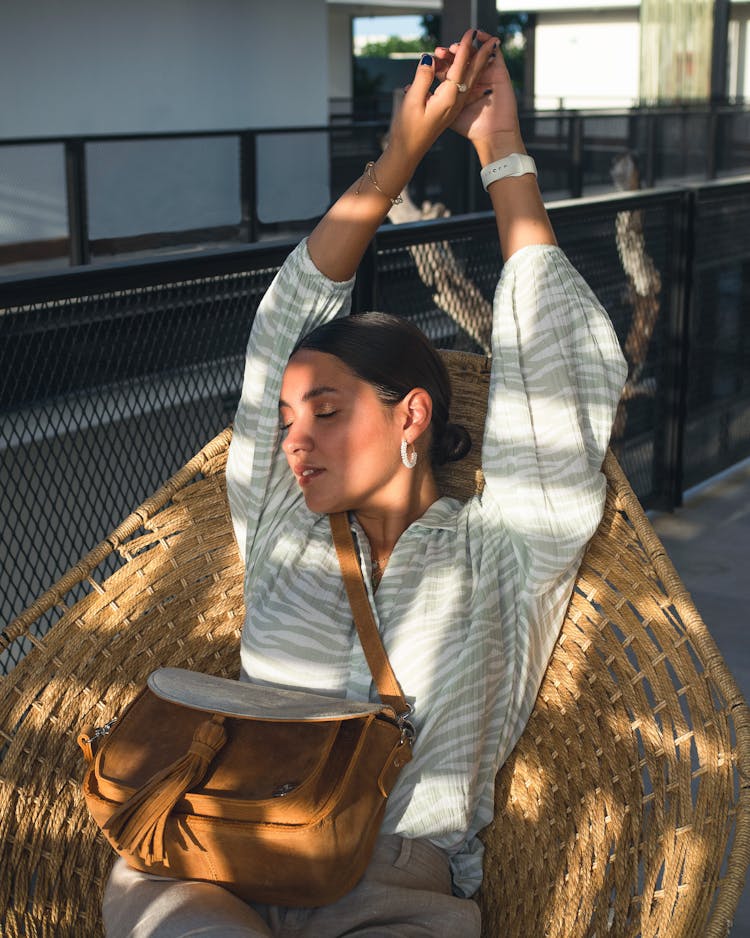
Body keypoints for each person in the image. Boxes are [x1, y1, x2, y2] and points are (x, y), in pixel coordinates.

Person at [103, 28, 627, 938]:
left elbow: (554, 369)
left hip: (389, 887)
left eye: (329, 412)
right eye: (287, 421)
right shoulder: (277, 517)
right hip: (211, 854)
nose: (294, 440)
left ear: (412, 416)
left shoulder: (507, 548)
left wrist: (502, 155)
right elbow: (283, 325)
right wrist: (396, 159)